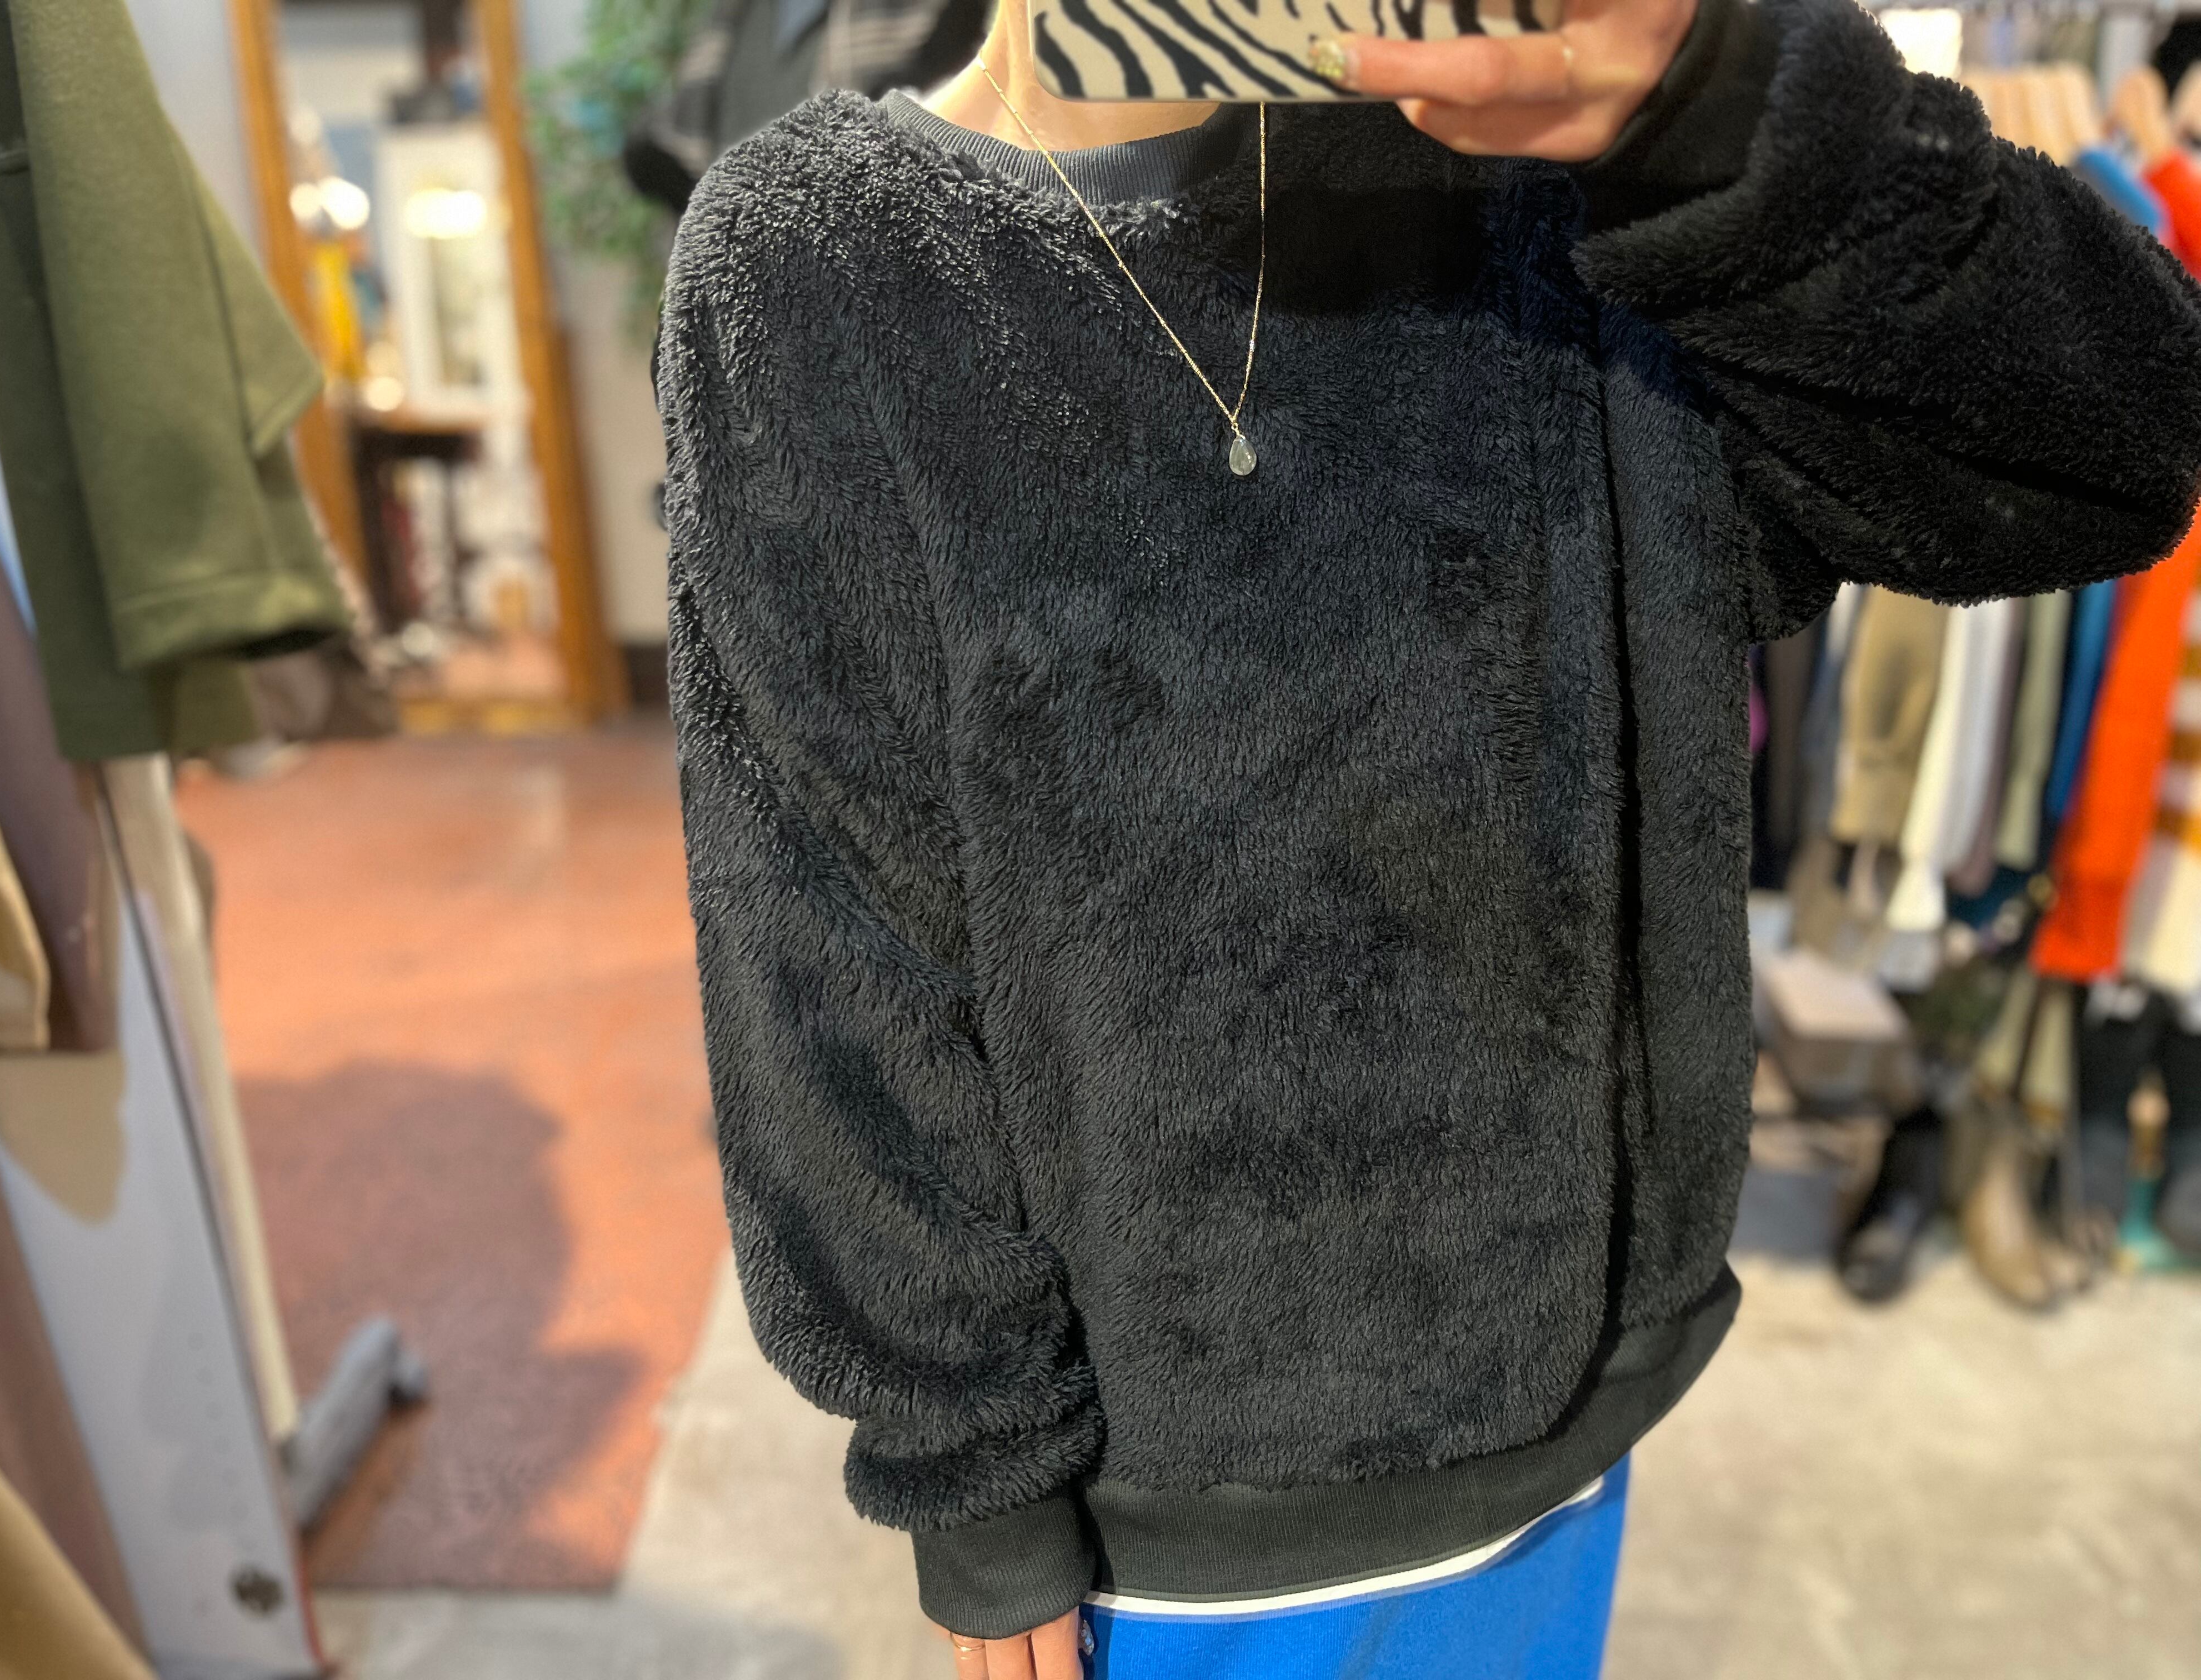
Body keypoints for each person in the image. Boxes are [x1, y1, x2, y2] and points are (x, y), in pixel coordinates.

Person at [652, 0, 2201, 1669]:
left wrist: (1721, 108)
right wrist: (977, 1479)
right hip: (1166, 1515)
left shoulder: (1537, 176)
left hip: (1565, 1412)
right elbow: (828, 937)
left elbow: (2114, 442)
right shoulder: (819, 260)